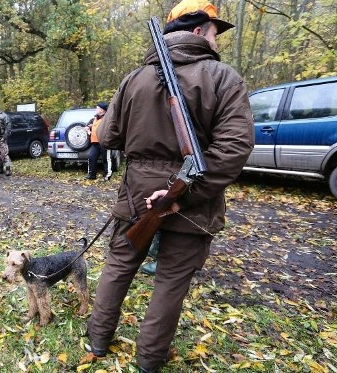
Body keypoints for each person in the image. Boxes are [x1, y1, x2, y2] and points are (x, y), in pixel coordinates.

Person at [86, 1, 255, 371]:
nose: (216, 41)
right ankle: (149, 359)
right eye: (214, 32)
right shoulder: (222, 76)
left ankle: (98, 338)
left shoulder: (133, 78)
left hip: (137, 192)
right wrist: (186, 191)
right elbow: (235, 146)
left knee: (119, 265)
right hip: (194, 195)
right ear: (198, 31)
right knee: (170, 281)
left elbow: (109, 134)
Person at [85, 102, 109, 180]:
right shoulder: (94, 118)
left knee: (106, 160)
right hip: (95, 143)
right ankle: (91, 175)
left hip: (104, 142)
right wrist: (88, 128)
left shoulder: (107, 118)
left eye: (97, 108)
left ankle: (107, 176)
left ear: (102, 110)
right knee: (91, 157)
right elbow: (87, 125)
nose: (96, 109)